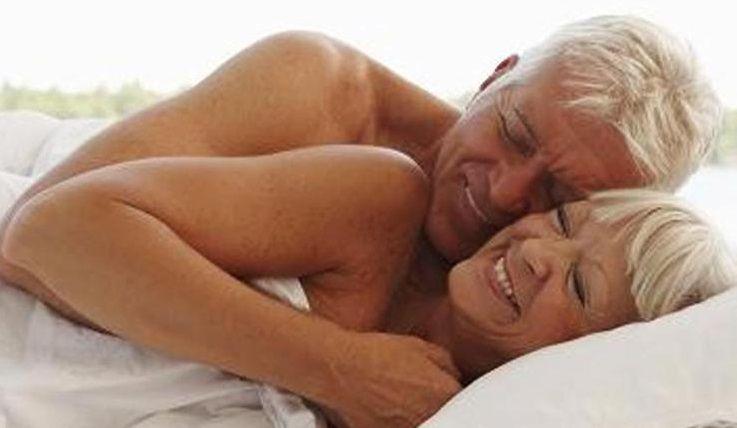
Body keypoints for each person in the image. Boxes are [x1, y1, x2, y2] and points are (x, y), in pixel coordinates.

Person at [0, 14, 723, 427]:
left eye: (561, 198)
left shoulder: (524, 303)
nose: (508, 195)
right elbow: (33, 240)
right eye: (512, 133)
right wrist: (335, 366)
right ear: (495, 75)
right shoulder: (327, 105)